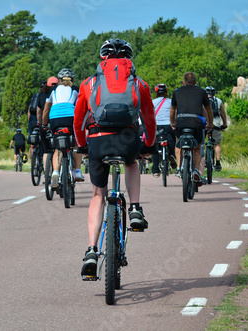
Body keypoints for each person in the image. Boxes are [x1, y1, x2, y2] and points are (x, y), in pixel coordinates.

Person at [73, 38, 156, 278]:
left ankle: (91, 250)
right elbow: (148, 118)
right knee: (132, 161)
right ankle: (136, 209)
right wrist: (147, 145)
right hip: (129, 139)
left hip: (98, 141)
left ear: (103, 59)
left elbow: (78, 120)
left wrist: (82, 144)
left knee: (98, 194)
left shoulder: (89, 83)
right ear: (129, 60)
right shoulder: (139, 84)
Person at [42, 68, 84, 185]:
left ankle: (55, 172)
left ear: (59, 79)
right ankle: (77, 170)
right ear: (73, 79)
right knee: (76, 143)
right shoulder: (75, 89)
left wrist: (44, 124)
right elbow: (81, 106)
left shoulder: (53, 90)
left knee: (57, 148)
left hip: (55, 119)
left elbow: (46, 110)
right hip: (70, 118)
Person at [170, 72, 213, 182]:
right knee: (197, 148)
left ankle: (179, 168)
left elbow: (172, 110)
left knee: (178, 144)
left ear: (183, 82)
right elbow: (208, 110)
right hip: (196, 123)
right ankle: (195, 171)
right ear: (195, 82)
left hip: (181, 122)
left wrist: (172, 122)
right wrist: (210, 124)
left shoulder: (176, 92)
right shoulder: (201, 92)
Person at [150, 83, 177, 178]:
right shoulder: (171, 102)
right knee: (174, 139)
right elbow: (175, 113)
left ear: (156, 92)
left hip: (156, 126)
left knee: (154, 146)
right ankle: (172, 155)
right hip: (168, 125)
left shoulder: (152, 102)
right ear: (166, 92)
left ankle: (155, 170)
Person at [205, 86, 227, 172]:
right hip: (215, 124)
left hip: (204, 123)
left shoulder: (202, 101)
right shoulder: (218, 101)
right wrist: (224, 124)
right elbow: (223, 114)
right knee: (217, 143)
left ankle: (200, 161)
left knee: (200, 143)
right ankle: (218, 163)